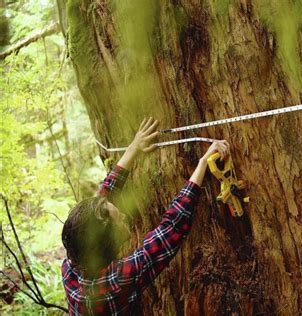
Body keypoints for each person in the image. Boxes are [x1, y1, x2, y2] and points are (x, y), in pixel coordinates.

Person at [61, 117, 230, 315]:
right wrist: (202, 163)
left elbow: (103, 200)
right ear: (109, 241)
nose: (124, 215)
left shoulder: (73, 262)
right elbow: (171, 229)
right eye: (119, 219)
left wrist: (134, 146)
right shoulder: (115, 282)